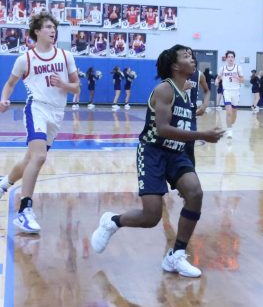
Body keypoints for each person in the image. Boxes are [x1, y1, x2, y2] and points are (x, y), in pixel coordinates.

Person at [90, 45, 224, 277]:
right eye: (186, 56)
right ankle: (112, 221)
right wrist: (204, 135)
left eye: (192, 56)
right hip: (153, 152)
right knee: (151, 216)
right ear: (174, 66)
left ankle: (176, 256)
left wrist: (189, 171)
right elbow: (162, 129)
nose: (192, 59)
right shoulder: (165, 90)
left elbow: (186, 130)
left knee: (195, 193)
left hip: (178, 154)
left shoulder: (188, 91)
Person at [0, 12, 79, 233]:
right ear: (37, 31)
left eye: (53, 27)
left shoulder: (65, 56)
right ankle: (24, 210)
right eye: (47, 27)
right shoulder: (25, 59)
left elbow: (77, 87)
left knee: (30, 159)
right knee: (39, 156)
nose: (52, 30)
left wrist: (64, 84)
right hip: (36, 108)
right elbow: (10, 84)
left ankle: (3, 184)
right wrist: (3, 99)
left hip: (57, 113)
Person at [184, 48, 211, 166]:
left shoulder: (199, 74)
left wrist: (204, 106)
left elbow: (207, 91)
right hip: (176, 111)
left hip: (191, 112)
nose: (187, 56)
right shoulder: (176, 72)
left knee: (190, 145)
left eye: (190, 54)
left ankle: (190, 174)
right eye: (184, 55)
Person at [215, 51, 244, 139]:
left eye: (232, 57)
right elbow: (218, 77)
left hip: (236, 92)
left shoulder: (238, 68)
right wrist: (217, 81)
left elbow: (243, 80)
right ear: (226, 58)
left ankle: (231, 123)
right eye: (229, 57)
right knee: (228, 111)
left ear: (234, 58)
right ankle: (229, 131)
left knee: (234, 113)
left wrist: (237, 78)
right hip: (227, 91)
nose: (231, 58)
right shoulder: (222, 68)